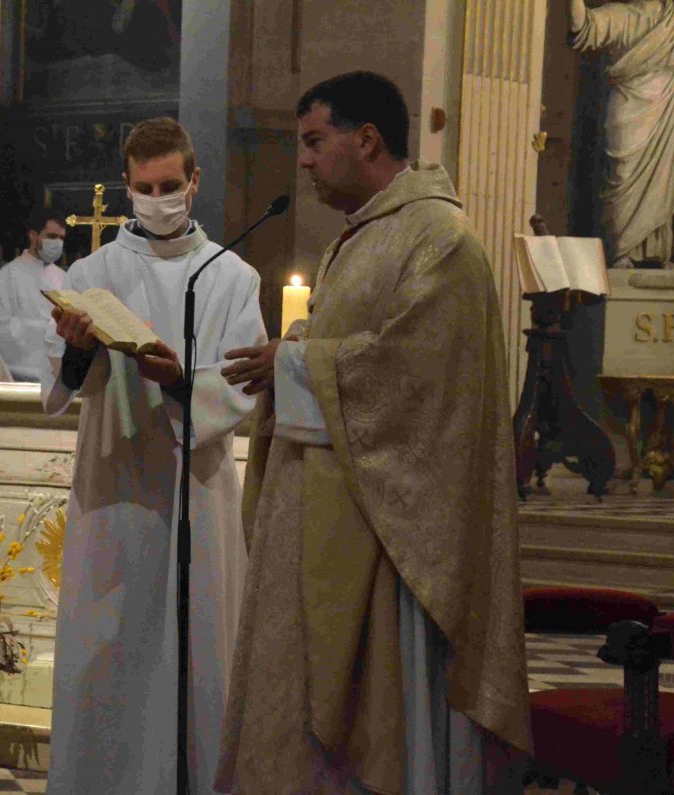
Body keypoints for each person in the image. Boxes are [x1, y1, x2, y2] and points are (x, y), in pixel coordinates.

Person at [216, 72, 531, 794]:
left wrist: (294, 362)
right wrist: (295, 356)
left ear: (367, 140)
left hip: (390, 537)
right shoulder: (360, 239)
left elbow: (421, 381)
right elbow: (361, 352)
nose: (303, 160)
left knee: (378, 728)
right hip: (324, 519)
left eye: (314, 141)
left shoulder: (440, 240)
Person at [41, 116, 266, 795]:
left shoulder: (232, 276)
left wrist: (175, 380)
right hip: (113, 491)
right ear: (128, 187)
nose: (157, 198)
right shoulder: (92, 273)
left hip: (195, 490)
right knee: (107, 659)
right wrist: (81, 349)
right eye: (145, 187)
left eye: (170, 185)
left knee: (196, 660)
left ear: (194, 182)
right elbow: (56, 386)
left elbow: (242, 389)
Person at [567, 0, 674, 268]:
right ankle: (621, 252)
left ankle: (657, 253)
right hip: (628, 110)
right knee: (623, 176)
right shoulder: (618, 15)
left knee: (664, 181)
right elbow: (581, 27)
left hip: (668, 114)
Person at [0, 208, 68, 381]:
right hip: (18, 374)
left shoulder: (63, 278)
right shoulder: (8, 276)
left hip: (57, 376)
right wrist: (48, 328)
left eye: (61, 238)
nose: (58, 243)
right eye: (52, 237)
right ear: (33, 236)